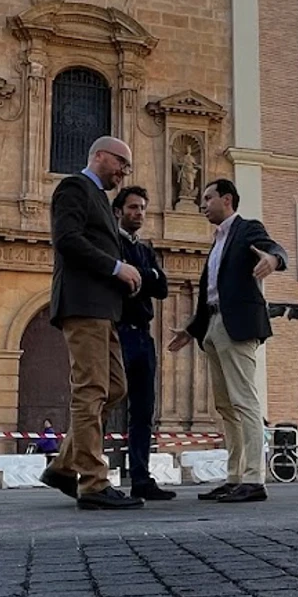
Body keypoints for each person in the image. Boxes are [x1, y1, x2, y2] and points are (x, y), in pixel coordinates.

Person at [43, 135, 144, 510]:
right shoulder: (74, 187)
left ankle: (64, 466)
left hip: (104, 309)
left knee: (114, 387)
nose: (123, 173)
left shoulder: (99, 197)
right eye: (121, 164)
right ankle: (93, 482)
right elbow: (66, 240)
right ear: (100, 156)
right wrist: (117, 267)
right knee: (91, 390)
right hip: (83, 304)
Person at [169, 178, 287, 503]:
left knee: (244, 402)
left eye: (208, 198)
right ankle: (235, 477)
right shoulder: (217, 242)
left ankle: (253, 479)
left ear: (227, 199)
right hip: (213, 326)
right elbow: (212, 292)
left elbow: (274, 248)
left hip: (238, 326)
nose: (202, 203)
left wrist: (274, 260)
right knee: (225, 406)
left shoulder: (247, 229)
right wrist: (192, 329)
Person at [113, 185, 175, 500]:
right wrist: (145, 275)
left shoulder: (146, 248)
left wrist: (141, 275)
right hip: (118, 332)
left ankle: (140, 478)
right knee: (105, 401)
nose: (139, 213)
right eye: (133, 207)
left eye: (142, 208)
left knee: (143, 410)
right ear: (119, 211)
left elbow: (162, 287)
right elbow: (117, 280)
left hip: (143, 335)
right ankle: (92, 475)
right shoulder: (111, 244)